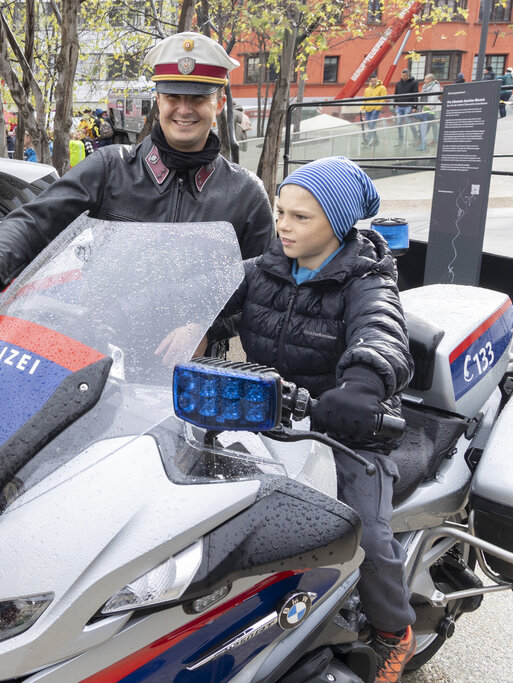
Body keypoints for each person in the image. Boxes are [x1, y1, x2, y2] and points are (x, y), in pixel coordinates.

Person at [199, 156, 415, 683]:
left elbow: (382, 333)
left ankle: (394, 632)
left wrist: (363, 383)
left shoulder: (366, 282)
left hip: (346, 430)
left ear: (338, 225)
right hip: (267, 419)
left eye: (301, 217)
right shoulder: (265, 269)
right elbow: (207, 298)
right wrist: (175, 320)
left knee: (366, 533)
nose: (284, 226)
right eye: (280, 212)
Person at [0, 31, 274, 312]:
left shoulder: (246, 194)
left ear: (217, 104)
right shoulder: (110, 168)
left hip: (196, 368)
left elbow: (263, 287)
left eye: (198, 98)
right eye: (173, 96)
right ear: (157, 101)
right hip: (101, 356)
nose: (184, 109)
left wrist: (206, 331)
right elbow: (35, 220)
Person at [392, 69, 420, 145]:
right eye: (402, 75)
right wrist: (395, 104)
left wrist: (414, 106)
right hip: (400, 106)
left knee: (409, 122)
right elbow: (396, 94)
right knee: (399, 123)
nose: (402, 77)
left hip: (408, 106)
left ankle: (416, 138)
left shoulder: (414, 83)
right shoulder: (398, 84)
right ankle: (400, 141)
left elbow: (415, 95)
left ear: (408, 75)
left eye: (404, 76)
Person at [416, 74, 442, 151]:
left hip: (430, 109)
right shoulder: (425, 86)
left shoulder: (435, 86)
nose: (424, 80)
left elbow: (434, 97)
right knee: (432, 125)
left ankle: (424, 144)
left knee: (425, 125)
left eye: (426, 79)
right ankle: (432, 140)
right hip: (425, 108)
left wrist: (428, 107)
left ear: (430, 80)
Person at [362, 76, 387, 146]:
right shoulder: (367, 89)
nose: (374, 82)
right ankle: (376, 140)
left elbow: (383, 98)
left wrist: (378, 108)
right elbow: (365, 99)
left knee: (372, 124)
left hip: (375, 109)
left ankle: (368, 139)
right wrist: (362, 108)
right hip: (368, 109)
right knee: (370, 125)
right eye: (372, 81)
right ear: (370, 81)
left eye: (375, 81)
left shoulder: (382, 88)